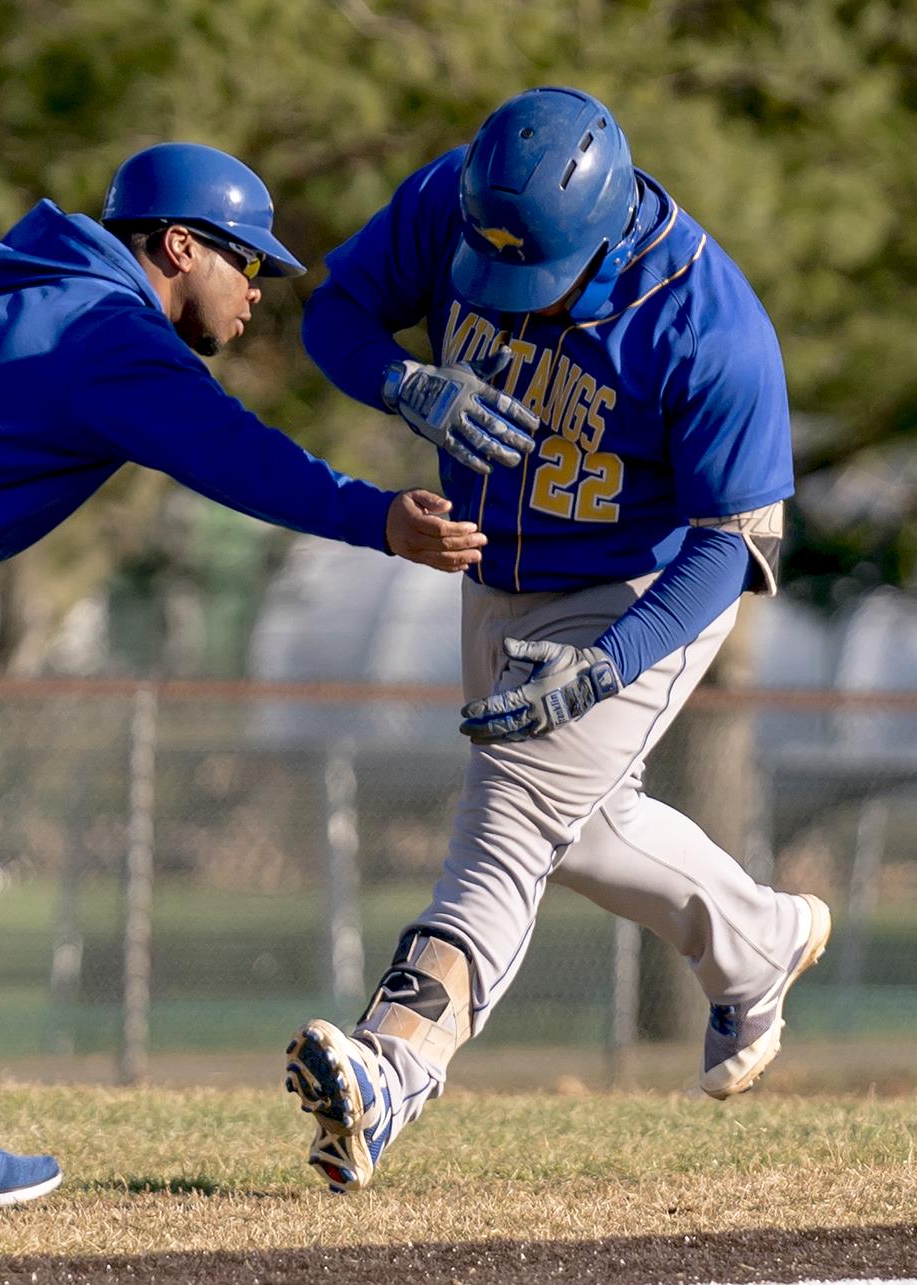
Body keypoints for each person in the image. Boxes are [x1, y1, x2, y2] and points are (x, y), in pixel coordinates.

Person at [0, 142, 487, 1213]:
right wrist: (378, 519)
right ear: (179, 247)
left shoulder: (32, 282)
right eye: (247, 260)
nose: (257, 288)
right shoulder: (105, 331)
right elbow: (233, 455)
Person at [282, 87, 830, 1193]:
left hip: (638, 592)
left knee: (512, 817)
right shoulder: (460, 197)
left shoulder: (708, 324)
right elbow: (333, 312)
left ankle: (391, 1067)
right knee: (580, 826)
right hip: (496, 568)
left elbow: (732, 547)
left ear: (609, 227)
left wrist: (613, 659)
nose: (506, 296)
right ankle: (756, 940)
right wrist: (402, 381)